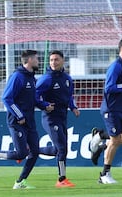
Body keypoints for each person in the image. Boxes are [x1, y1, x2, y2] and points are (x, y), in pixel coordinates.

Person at [0, 50, 52, 189]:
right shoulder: (17, 76)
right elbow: (6, 98)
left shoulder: (31, 78)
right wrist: (19, 115)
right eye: (37, 59)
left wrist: (45, 106)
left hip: (29, 122)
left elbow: (33, 99)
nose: (39, 61)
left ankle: (20, 181)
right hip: (17, 122)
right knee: (22, 153)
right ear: (30, 60)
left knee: (35, 151)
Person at [91, 36, 122, 184]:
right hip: (111, 109)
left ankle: (100, 136)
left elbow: (121, 87)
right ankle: (104, 175)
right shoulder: (116, 66)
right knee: (116, 140)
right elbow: (109, 88)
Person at [35, 50, 80, 187]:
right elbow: (33, 95)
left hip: (62, 117)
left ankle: (30, 150)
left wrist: (73, 107)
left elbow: (69, 96)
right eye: (51, 60)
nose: (53, 62)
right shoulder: (47, 78)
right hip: (50, 118)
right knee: (61, 148)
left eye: (56, 60)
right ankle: (61, 179)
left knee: (59, 149)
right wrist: (44, 105)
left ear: (62, 61)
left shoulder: (67, 78)